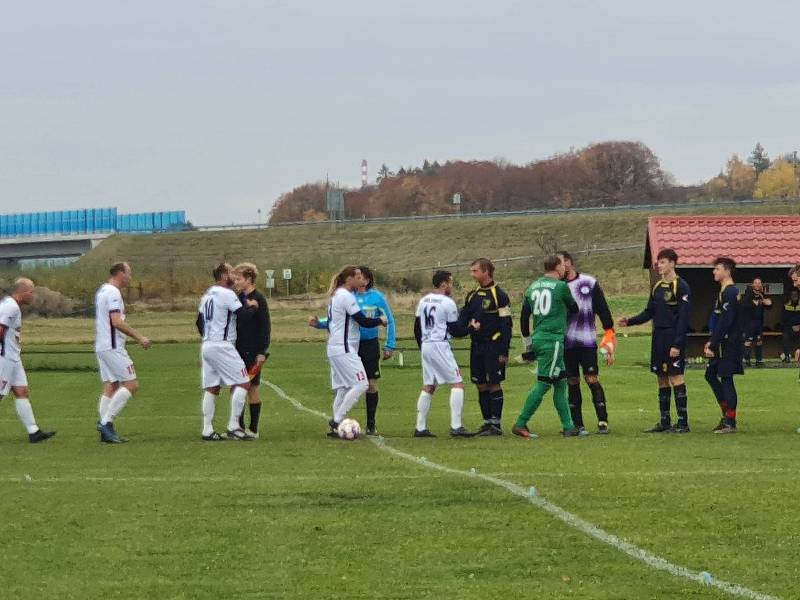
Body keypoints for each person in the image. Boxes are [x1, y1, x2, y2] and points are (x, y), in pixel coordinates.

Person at [310, 266, 396, 435]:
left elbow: (336, 321)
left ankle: (337, 426)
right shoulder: (346, 296)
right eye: (357, 276)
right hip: (344, 348)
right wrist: (381, 320)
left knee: (343, 388)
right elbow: (363, 320)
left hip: (335, 348)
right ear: (349, 279)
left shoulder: (337, 296)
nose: (361, 279)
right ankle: (336, 421)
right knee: (362, 383)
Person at [618, 248, 691, 433]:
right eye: (658, 262)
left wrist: (677, 344)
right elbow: (649, 312)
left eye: (663, 262)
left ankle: (683, 422)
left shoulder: (681, 286)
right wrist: (630, 321)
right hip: (658, 337)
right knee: (661, 378)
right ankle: (665, 421)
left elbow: (684, 318)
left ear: (673, 263)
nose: (660, 265)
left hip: (672, 336)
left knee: (676, 377)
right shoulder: (657, 287)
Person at [512, 255, 584, 438]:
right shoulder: (561, 287)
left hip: (539, 338)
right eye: (562, 265)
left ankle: (568, 426)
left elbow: (523, 317)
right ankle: (520, 423)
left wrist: (528, 343)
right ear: (557, 267)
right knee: (544, 383)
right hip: (553, 340)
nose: (564, 269)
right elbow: (575, 309)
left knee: (560, 382)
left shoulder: (532, 287)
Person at [412, 270, 480, 438]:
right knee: (457, 383)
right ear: (443, 284)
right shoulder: (447, 303)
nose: (451, 285)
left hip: (427, 344)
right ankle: (456, 427)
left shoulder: (424, 301)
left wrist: (422, 345)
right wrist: (472, 328)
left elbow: (416, 327)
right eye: (450, 282)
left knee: (429, 385)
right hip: (439, 345)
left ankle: (420, 428)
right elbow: (456, 331)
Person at [196, 263, 259, 441]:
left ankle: (207, 430)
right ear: (224, 275)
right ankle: (233, 426)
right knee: (243, 382)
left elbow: (199, 323)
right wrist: (253, 306)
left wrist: (208, 337)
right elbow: (244, 315)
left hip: (207, 344)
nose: (234, 275)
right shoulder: (227, 293)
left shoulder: (207, 295)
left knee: (212, 388)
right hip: (222, 345)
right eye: (231, 272)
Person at [558, 251, 616, 434]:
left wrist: (609, 336)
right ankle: (578, 424)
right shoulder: (557, 286)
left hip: (587, 341)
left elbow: (603, 310)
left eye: (562, 262)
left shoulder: (588, 282)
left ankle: (603, 421)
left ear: (570, 262)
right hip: (566, 343)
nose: (560, 266)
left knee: (591, 379)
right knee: (572, 381)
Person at [95, 262, 152, 443]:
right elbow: (116, 321)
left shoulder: (102, 290)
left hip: (102, 345)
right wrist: (139, 337)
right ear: (120, 273)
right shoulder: (112, 292)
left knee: (111, 385)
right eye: (129, 273)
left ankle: (105, 429)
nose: (130, 277)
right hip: (112, 346)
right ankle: (106, 423)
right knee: (132, 384)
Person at [457, 258, 512, 435]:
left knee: (494, 383)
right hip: (476, 346)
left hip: (493, 347)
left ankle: (496, 424)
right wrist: (461, 329)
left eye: (475, 271)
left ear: (486, 272)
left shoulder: (499, 295)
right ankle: (487, 422)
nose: (472, 274)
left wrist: (504, 350)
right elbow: (463, 318)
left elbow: (506, 324)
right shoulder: (472, 295)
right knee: (480, 384)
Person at [0, 278, 56, 443]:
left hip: (13, 357)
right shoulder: (10, 306)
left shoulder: (11, 304)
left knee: (21, 391)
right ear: (22, 292)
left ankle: (34, 432)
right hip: (5, 357)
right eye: (31, 292)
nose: (33, 295)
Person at [704, 257, 743, 434]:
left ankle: (731, 421)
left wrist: (713, 344)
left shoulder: (731, 292)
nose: (714, 272)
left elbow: (726, 322)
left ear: (727, 271)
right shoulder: (722, 291)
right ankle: (726, 413)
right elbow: (718, 320)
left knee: (726, 377)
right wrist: (712, 340)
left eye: (717, 269)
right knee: (710, 374)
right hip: (722, 341)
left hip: (730, 343)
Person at [233, 263, 271, 438]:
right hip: (236, 349)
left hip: (253, 350)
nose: (236, 282)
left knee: (251, 388)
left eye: (239, 279)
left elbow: (265, 327)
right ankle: (238, 427)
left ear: (248, 279)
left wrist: (262, 351)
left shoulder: (259, 299)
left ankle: (253, 429)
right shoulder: (237, 297)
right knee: (235, 387)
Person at [741, 277, 772, 367]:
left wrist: (769, 303)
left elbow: (768, 305)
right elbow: (744, 305)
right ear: (753, 284)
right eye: (756, 283)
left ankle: (759, 360)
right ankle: (745, 360)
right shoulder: (748, 293)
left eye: (759, 283)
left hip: (759, 322)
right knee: (748, 340)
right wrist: (752, 303)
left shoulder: (762, 294)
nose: (757, 284)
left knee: (759, 340)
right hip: (749, 322)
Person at [781, 269, 800, 363]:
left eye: (796, 275)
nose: (794, 277)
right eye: (792, 275)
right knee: (786, 336)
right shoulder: (788, 287)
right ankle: (787, 355)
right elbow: (784, 303)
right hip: (789, 321)